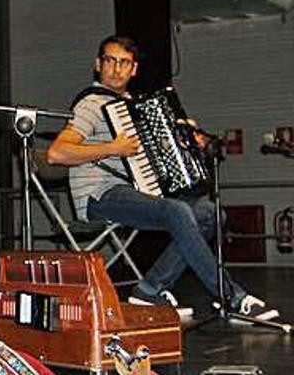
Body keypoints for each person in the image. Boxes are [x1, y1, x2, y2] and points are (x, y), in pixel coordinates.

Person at [47, 35, 279, 322]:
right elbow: (57, 153)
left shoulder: (134, 106)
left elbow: (156, 155)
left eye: (124, 63)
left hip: (135, 192)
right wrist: (112, 148)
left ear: (134, 69)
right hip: (99, 195)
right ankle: (231, 297)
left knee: (209, 213)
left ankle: (148, 290)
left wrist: (185, 140)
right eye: (110, 61)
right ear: (97, 65)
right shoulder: (92, 104)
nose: (117, 69)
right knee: (177, 210)